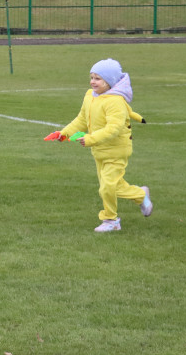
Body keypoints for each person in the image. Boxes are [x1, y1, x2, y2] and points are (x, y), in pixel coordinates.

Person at [45, 58, 152, 232]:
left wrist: (90, 139)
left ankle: (111, 220)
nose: (92, 81)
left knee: (107, 187)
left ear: (109, 81)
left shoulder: (115, 102)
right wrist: (63, 134)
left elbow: (113, 129)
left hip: (117, 151)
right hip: (99, 151)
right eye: (92, 77)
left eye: (98, 78)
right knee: (113, 186)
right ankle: (141, 195)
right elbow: (81, 120)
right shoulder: (90, 96)